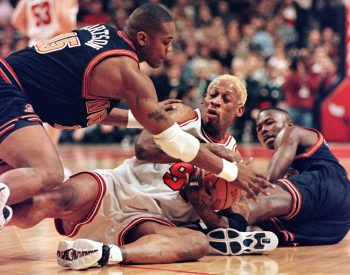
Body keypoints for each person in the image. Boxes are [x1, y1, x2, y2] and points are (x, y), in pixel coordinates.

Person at [0, 4, 270, 230]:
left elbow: (90, 111)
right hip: (7, 87)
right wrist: (233, 173)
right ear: (143, 38)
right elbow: (175, 143)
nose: (169, 51)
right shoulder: (128, 73)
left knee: (20, 190)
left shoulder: (106, 39)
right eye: (166, 42)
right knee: (48, 172)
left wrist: (137, 117)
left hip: (13, 89)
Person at [9, 75, 276, 270]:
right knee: (47, 202)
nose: (215, 102)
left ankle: (103, 253)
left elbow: (236, 215)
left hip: (150, 218)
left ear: (239, 110)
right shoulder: (182, 115)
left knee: (196, 244)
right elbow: (145, 147)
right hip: (117, 186)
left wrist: (203, 208)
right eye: (212, 95)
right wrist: (210, 156)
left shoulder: (236, 162)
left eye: (225, 99)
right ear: (203, 98)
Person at [186, 107, 350, 252]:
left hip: (330, 184)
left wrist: (234, 181)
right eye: (259, 128)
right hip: (335, 227)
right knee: (262, 225)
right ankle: (250, 236)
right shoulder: (293, 166)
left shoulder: (291, 132)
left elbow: (269, 179)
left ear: (289, 123)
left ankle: (205, 225)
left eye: (269, 122)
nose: (264, 129)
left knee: (258, 200)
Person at [11, 0, 79, 176]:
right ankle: (52, 160)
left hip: (32, 49)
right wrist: (73, 33)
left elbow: (16, 19)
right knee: (56, 111)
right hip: (55, 50)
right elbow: (65, 20)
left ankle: (30, 159)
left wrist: (34, 33)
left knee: (33, 109)